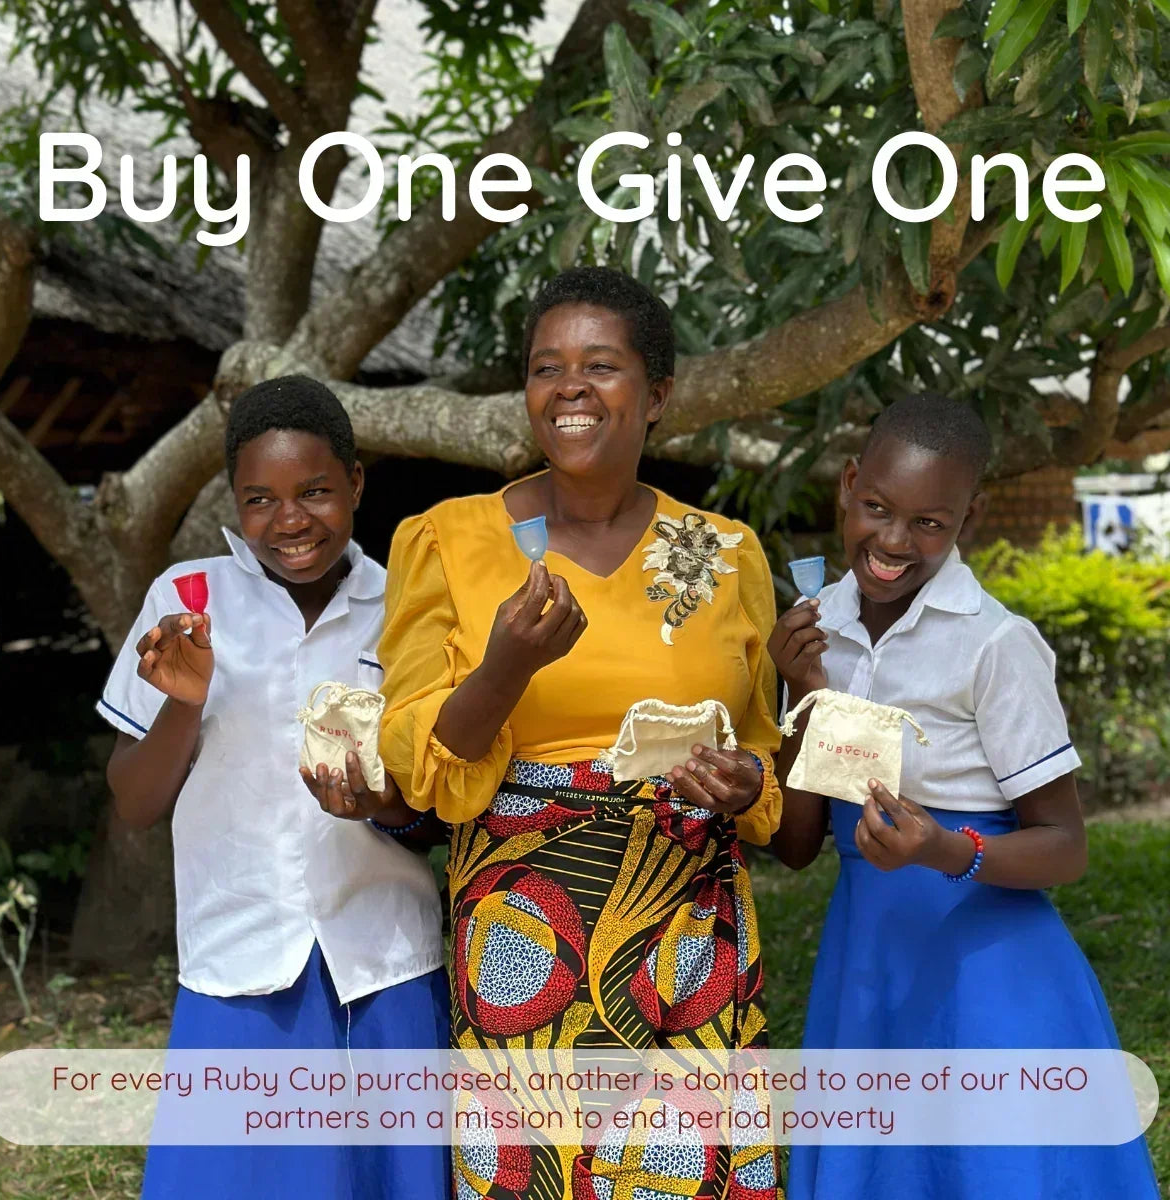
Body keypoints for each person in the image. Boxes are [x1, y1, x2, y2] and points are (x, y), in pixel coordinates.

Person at [372, 267, 785, 1199]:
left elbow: (763, 747)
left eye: (601, 365)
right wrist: (508, 665)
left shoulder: (721, 554)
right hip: (527, 937)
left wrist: (748, 783)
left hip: (684, 928)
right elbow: (418, 761)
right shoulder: (447, 540)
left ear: (658, 394)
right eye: (545, 367)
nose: (569, 387)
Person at [768, 392, 1160, 1198]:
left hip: (988, 981)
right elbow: (799, 843)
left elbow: (1066, 845)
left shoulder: (993, 644)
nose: (892, 541)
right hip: (869, 968)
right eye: (876, 508)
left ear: (968, 518)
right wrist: (802, 687)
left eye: (928, 524)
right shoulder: (816, 629)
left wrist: (946, 849)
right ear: (847, 484)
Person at [97, 376, 450, 1200]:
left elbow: (442, 812)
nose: (289, 521)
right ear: (234, 500)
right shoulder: (188, 600)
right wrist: (185, 703)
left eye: (316, 491)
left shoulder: (404, 609)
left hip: (384, 964)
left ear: (356, 483)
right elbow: (134, 802)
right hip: (239, 967)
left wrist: (377, 804)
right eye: (260, 499)